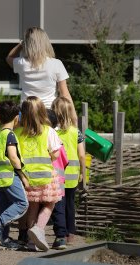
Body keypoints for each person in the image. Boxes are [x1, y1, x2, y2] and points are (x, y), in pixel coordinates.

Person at [14, 96, 62, 251]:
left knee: (33, 207)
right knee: (50, 203)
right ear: (42, 112)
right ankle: (39, 228)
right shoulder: (48, 131)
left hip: (28, 177)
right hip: (46, 175)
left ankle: (30, 242)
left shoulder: (18, 132)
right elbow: (55, 154)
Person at [0, 100, 29, 250]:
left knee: (5, 209)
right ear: (17, 118)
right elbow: (12, 156)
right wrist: (23, 175)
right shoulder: (10, 135)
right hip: (10, 176)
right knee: (22, 204)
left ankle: (3, 238)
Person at [6, 27, 73, 109]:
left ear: (27, 44)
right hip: (48, 111)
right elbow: (64, 94)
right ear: (45, 43)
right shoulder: (56, 64)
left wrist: (21, 43)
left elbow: (9, 57)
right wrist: (73, 116)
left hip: (27, 110)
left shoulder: (22, 63)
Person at [51, 96, 86, 247]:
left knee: (59, 204)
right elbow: (82, 154)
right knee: (71, 204)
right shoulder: (75, 132)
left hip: (58, 175)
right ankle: (71, 232)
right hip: (73, 175)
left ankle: (61, 233)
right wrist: (83, 173)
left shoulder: (52, 132)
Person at [47, 109, 69, 250]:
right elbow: (65, 160)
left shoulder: (46, 137)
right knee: (59, 209)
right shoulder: (59, 141)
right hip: (60, 180)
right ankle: (61, 237)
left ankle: (32, 236)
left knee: (44, 207)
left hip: (48, 178)